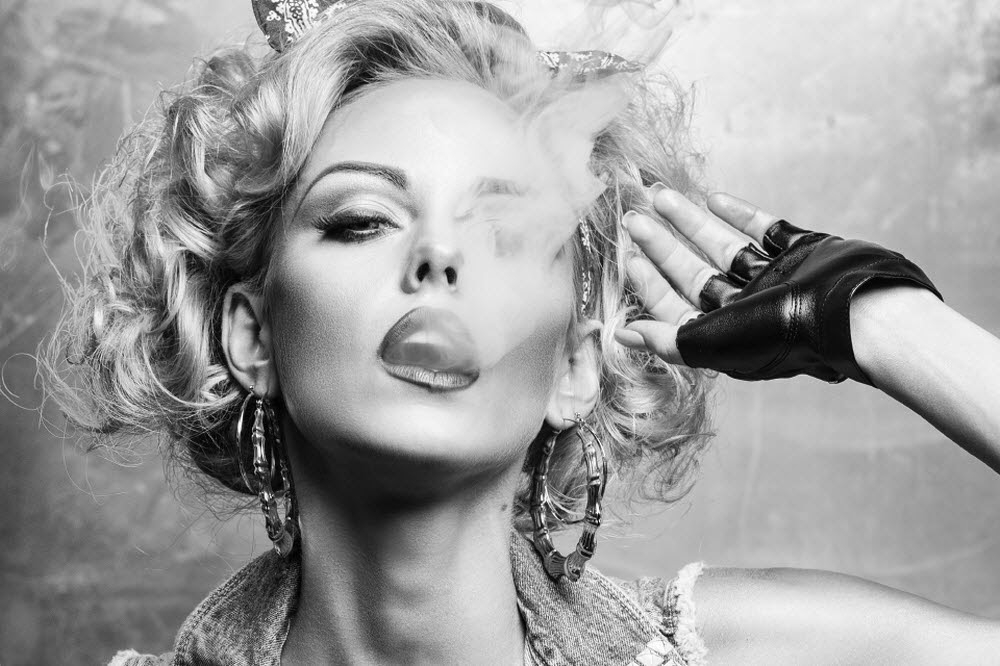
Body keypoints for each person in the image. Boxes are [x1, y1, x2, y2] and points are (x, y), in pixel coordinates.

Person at [38, 0, 1000, 664]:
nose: (437, 257)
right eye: (363, 220)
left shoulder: (756, 651)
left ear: (577, 363)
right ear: (251, 336)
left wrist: (887, 325)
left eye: (505, 233)